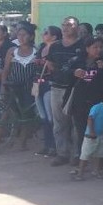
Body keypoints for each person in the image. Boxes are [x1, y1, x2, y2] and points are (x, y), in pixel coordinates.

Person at [66, 36, 103, 172]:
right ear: (87, 48)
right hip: (80, 103)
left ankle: (98, 164)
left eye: (101, 47)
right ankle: (80, 158)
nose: (99, 50)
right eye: (95, 47)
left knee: (98, 133)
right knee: (81, 131)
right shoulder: (78, 61)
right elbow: (63, 76)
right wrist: (74, 72)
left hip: (99, 105)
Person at [45, 16, 85, 168]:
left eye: (69, 25)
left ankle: (76, 155)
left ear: (77, 27)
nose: (65, 27)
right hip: (57, 87)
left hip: (76, 88)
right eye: (63, 25)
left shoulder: (83, 45)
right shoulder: (55, 46)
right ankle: (62, 153)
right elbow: (50, 64)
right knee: (59, 123)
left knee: (76, 123)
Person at [0, 21, 38, 152]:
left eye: (24, 35)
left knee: (26, 115)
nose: (21, 37)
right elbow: (6, 70)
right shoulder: (12, 51)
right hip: (12, 87)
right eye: (19, 35)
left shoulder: (36, 52)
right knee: (6, 114)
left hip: (28, 89)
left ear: (31, 36)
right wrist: (3, 86)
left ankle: (22, 143)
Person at [72, 89, 103, 180]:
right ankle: (80, 173)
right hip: (91, 135)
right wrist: (92, 131)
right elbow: (90, 119)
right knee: (85, 154)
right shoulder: (97, 107)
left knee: (100, 154)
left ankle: (97, 171)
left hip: (102, 135)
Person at [33, 25, 60, 158]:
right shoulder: (42, 47)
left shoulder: (56, 49)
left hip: (49, 84)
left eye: (46, 32)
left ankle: (54, 146)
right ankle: (47, 144)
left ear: (54, 36)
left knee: (51, 117)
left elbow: (56, 67)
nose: (44, 34)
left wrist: (46, 63)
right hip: (39, 83)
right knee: (43, 117)